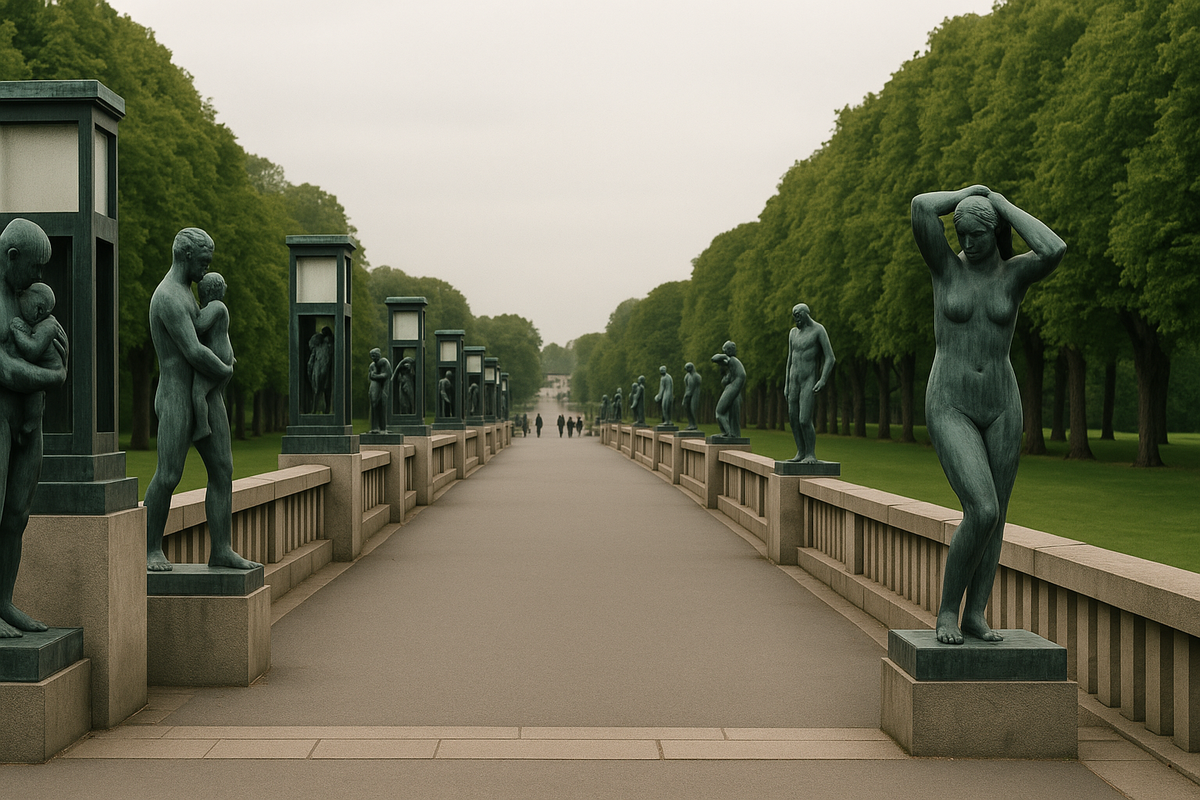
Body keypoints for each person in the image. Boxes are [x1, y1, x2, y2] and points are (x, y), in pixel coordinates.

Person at [911, 184, 1065, 645]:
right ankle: (945, 611)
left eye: (976, 235)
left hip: (1002, 405)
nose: (966, 242)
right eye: (960, 232)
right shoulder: (946, 269)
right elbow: (921, 207)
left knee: (998, 515)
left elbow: (1054, 247)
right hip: (950, 401)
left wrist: (1001, 204)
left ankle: (976, 612)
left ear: (993, 231)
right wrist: (967, 193)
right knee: (981, 508)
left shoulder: (1014, 276)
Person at [145, 228, 261, 572]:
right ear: (185, 256)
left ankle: (221, 549)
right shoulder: (168, 296)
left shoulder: (189, 294)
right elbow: (193, 352)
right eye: (203, 261)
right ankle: (151, 549)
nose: (206, 268)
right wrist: (225, 369)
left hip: (205, 394)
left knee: (223, 470)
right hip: (176, 393)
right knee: (168, 475)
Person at [0, 219, 68, 638]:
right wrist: (53, 377)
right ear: (11, 258)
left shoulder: (25, 297)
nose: (40, 277)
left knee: (17, 515)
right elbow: (4, 369)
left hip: (29, 419)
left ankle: (4, 600)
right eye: (35, 267)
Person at [8, 281, 62, 446]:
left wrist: (17, 332)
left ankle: (30, 425)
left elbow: (32, 350)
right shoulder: (36, 322)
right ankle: (29, 425)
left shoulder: (48, 325)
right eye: (38, 307)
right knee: (35, 394)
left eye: (43, 311)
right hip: (42, 370)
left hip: (49, 369)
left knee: (35, 393)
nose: (39, 314)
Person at [784, 303, 836, 463]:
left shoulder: (818, 330)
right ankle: (800, 452)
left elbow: (830, 357)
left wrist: (822, 379)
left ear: (805, 314)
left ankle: (810, 454)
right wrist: (786, 384)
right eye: (794, 316)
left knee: (804, 419)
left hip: (808, 380)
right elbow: (789, 360)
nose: (795, 320)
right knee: (793, 419)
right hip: (793, 381)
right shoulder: (793, 333)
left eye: (798, 316)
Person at [188, 273, 233, 443]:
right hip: (224, 355)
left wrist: (189, 313)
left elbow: (199, 326)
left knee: (198, 391)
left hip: (218, 356)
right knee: (206, 391)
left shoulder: (217, 306)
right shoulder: (218, 307)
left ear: (207, 291)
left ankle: (202, 426)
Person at [711, 341, 746, 438]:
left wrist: (723, 356)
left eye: (724, 349)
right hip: (735, 387)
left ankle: (727, 433)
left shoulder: (731, 359)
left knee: (719, 412)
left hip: (734, 386)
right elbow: (725, 380)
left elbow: (714, 358)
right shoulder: (734, 364)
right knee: (732, 413)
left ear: (728, 350)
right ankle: (733, 433)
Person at [307, 326, 334, 414]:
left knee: (324, 389)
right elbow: (312, 358)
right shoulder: (318, 346)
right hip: (318, 368)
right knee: (318, 389)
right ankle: (316, 409)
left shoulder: (329, 345)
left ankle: (325, 409)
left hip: (325, 369)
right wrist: (310, 367)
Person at [367, 348, 392, 433]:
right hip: (374, 388)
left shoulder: (384, 362)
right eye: (371, 356)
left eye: (374, 355)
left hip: (384, 387)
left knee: (382, 406)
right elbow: (370, 376)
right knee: (374, 406)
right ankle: (374, 427)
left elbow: (386, 375)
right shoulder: (372, 365)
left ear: (378, 355)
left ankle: (383, 428)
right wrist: (373, 376)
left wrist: (375, 376)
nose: (373, 357)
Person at [682, 362, 701, 430]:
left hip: (694, 395)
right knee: (687, 409)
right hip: (687, 394)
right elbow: (687, 387)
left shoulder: (696, 376)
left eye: (687, 368)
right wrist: (685, 396)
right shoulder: (687, 376)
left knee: (693, 409)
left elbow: (692, 388)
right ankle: (690, 423)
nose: (686, 369)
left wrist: (687, 396)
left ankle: (694, 424)